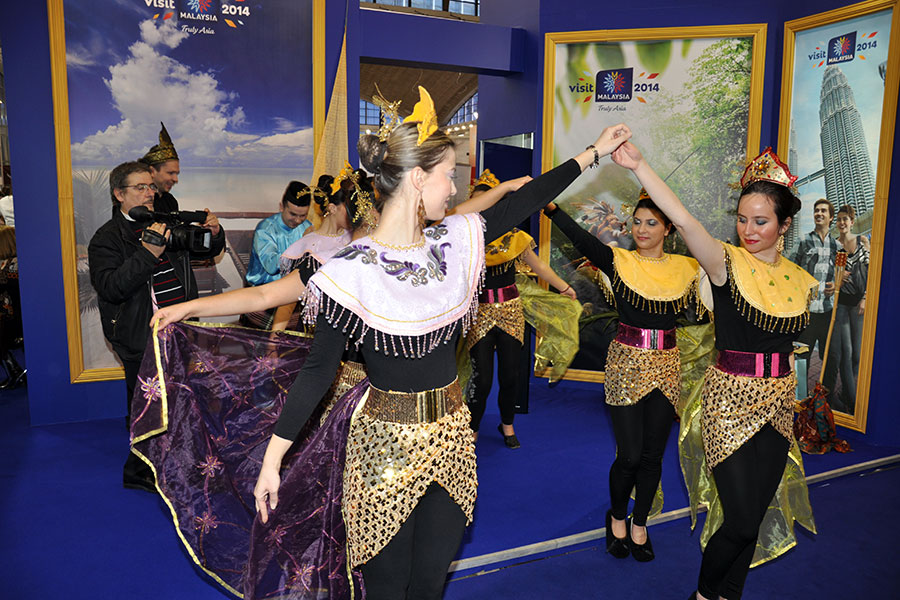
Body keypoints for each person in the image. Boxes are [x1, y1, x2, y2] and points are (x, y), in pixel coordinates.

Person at [176, 86, 627, 599]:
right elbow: (318, 371)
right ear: (417, 179)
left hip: (452, 439)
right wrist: (273, 460)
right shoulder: (349, 271)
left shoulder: (453, 243)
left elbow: (526, 199)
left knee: (430, 583)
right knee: (389, 589)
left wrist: (594, 151)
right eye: (448, 175)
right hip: (383, 450)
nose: (453, 189)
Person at [611, 143, 818, 599]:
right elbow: (684, 220)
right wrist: (640, 166)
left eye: (760, 221)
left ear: (784, 225)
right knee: (740, 520)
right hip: (727, 405)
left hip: (778, 405)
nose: (748, 230)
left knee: (753, 518)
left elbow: (786, 344)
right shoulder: (726, 263)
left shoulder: (799, 278)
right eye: (742, 219)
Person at [544, 189, 700, 561]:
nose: (642, 229)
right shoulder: (619, 261)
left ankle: (640, 522)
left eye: (652, 223)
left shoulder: (686, 268)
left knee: (652, 455)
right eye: (637, 222)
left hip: (666, 366)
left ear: (668, 229)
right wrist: (550, 207)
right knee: (629, 456)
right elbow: (581, 238)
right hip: (625, 365)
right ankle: (616, 516)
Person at [87, 160, 225, 492]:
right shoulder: (106, 239)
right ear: (119, 194)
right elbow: (112, 288)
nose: (150, 193)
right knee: (145, 404)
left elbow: (203, 251)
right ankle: (139, 471)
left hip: (180, 329)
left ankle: (179, 458)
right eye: (140, 187)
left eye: (151, 186)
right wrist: (148, 253)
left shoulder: (164, 223)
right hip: (140, 334)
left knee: (182, 397)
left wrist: (215, 235)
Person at [465, 170, 575, 448]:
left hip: (511, 312)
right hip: (479, 314)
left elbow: (540, 267)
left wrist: (563, 287)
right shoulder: (465, 238)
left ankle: (507, 424)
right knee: (482, 379)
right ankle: (473, 426)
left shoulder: (516, 238)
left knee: (511, 375)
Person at [825, 204, 869, 413]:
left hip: (859, 303)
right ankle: (853, 402)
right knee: (847, 352)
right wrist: (838, 278)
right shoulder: (837, 247)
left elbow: (872, 272)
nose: (842, 223)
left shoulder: (862, 241)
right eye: (839, 219)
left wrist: (866, 298)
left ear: (852, 221)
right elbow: (837, 277)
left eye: (846, 219)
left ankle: (846, 392)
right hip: (842, 303)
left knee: (858, 355)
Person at [791, 199, 838, 371]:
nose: (819, 213)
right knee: (801, 359)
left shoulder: (837, 246)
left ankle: (826, 389)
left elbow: (841, 274)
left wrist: (835, 285)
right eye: (816, 210)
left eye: (823, 211)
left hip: (828, 312)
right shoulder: (803, 241)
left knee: (831, 358)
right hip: (806, 312)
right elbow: (789, 272)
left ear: (831, 217)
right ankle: (801, 389)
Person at [244, 180, 315, 286]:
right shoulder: (265, 230)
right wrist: (302, 245)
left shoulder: (307, 226)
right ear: (281, 207)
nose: (298, 220)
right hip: (263, 287)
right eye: (293, 214)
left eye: (303, 216)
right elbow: (271, 266)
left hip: (293, 285)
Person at [0, 225, 25, 389]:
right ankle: (13, 368)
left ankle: (13, 369)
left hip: (14, 320)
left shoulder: (9, 266)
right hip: (19, 317)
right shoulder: (19, 263)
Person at [140, 122, 182, 214]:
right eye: (170, 173)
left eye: (176, 174)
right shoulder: (138, 201)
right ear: (152, 171)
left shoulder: (170, 201)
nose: (176, 179)